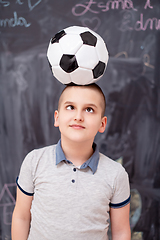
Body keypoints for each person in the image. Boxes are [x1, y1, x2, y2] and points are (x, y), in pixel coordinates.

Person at [11, 83, 131, 240]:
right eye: (70, 107)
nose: (78, 117)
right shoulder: (34, 161)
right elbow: (21, 216)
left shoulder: (116, 174)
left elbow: (121, 232)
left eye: (89, 109)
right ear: (57, 118)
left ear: (102, 124)